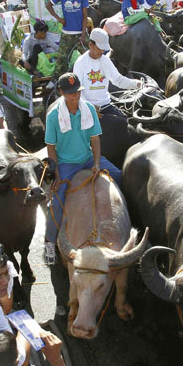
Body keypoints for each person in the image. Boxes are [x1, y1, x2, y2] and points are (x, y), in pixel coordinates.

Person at [44, 73, 122, 266]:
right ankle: (49, 242)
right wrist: (57, 173)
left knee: (119, 176)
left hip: (87, 158)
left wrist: (96, 163)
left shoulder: (88, 109)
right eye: (70, 94)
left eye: (77, 92)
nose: (75, 97)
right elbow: (51, 147)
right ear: (61, 93)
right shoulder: (54, 116)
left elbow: (95, 139)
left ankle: (127, 225)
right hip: (66, 163)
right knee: (57, 200)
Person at [72, 28, 141, 118]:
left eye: (103, 49)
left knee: (124, 121)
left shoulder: (105, 60)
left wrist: (137, 84)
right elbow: (77, 89)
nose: (102, 51)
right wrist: (88, 108)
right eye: (99, 48)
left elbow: (118, 80)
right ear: (91, 45)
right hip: (87, 105)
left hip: (105, 105)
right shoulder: (80, 63)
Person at [46, 0, 89, 81]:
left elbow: (85, 16)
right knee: (62, 60)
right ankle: (55, 82)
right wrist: (59, 19)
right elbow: (48, 5)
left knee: (92, 56)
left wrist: (83, 34)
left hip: (80, 33)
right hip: (67, 33)